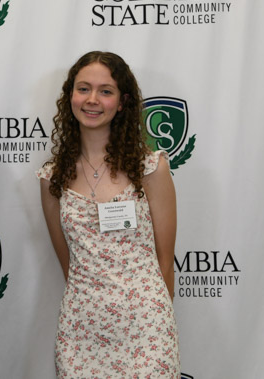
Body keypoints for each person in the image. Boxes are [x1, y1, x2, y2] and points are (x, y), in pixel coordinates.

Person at [37, 51, 180, 377]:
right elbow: (68, 263)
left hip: (146, 331)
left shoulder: (150, 168)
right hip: (81, 332)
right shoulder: (51, 178)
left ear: (122, 101)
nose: (92, 100)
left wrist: (157, 324)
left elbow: (165, 260)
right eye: (83, 88)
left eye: (105, 91)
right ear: (70, 95)